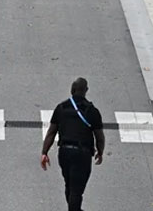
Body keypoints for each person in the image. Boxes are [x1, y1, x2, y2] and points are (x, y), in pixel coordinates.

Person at [40, 78, 106, 211]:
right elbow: (99, 136)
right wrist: (100, 152)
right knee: (76, 190)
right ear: (86, 91)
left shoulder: (61, 108)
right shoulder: (92, 111)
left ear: (72, 90)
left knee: (69, 185)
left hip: (64, 153)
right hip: (82, 154)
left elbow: (51, 132)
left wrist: (44, 152)